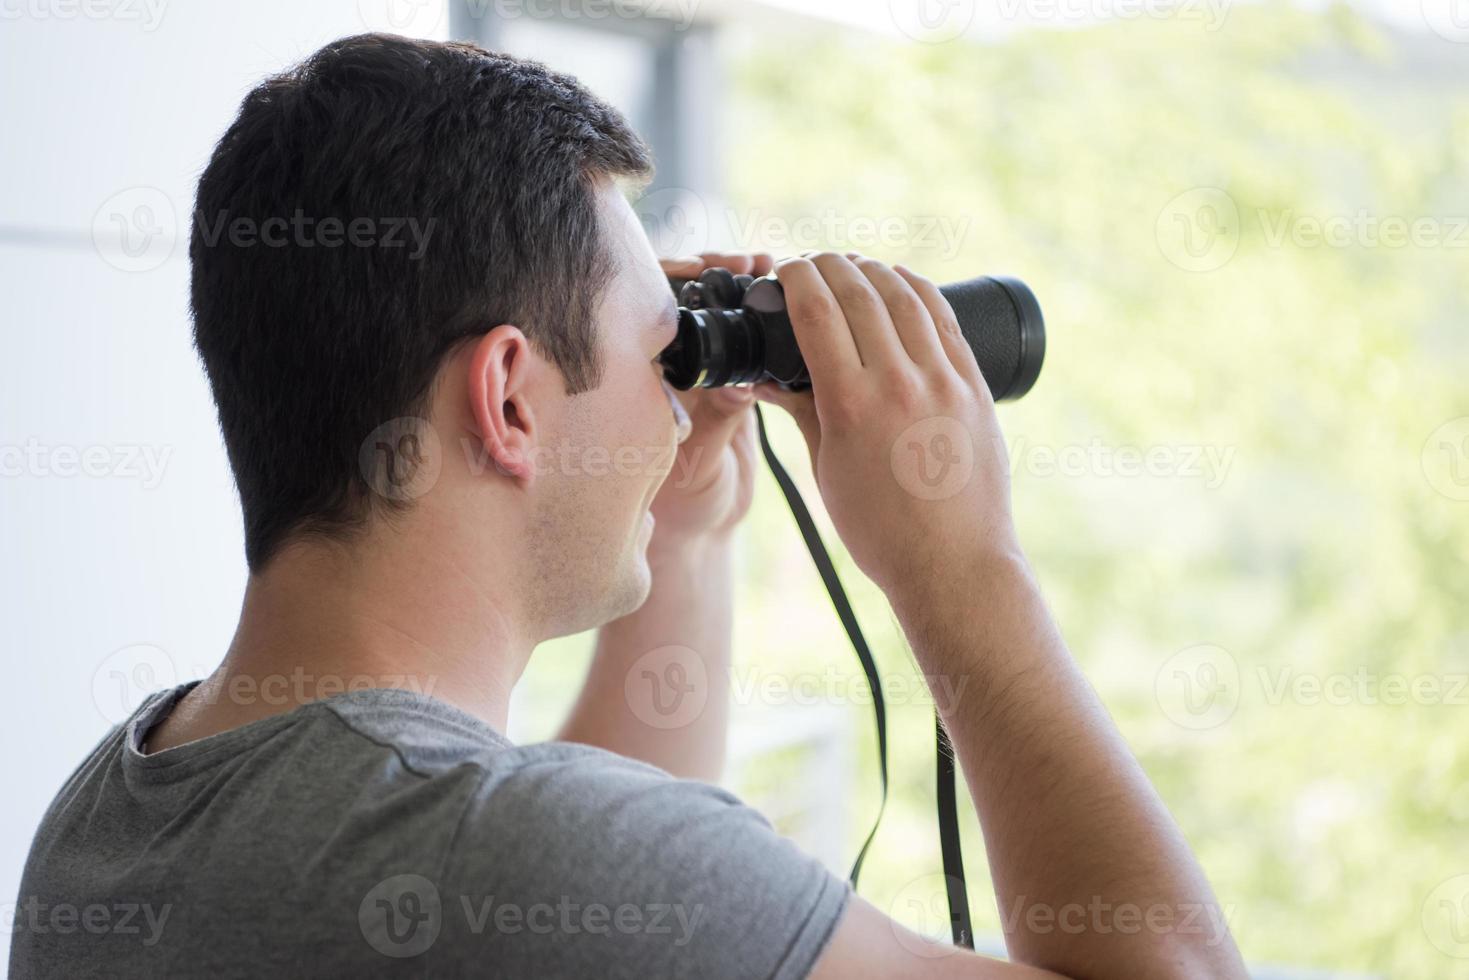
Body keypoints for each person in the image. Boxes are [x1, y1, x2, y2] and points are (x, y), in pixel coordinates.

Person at [9, 32, 1247, 979]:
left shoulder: (114, 812)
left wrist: (687, 531)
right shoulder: (515, 841)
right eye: (661, 354)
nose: (675, 405)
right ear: (507, 397)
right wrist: (963, 563)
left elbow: (567, 901)